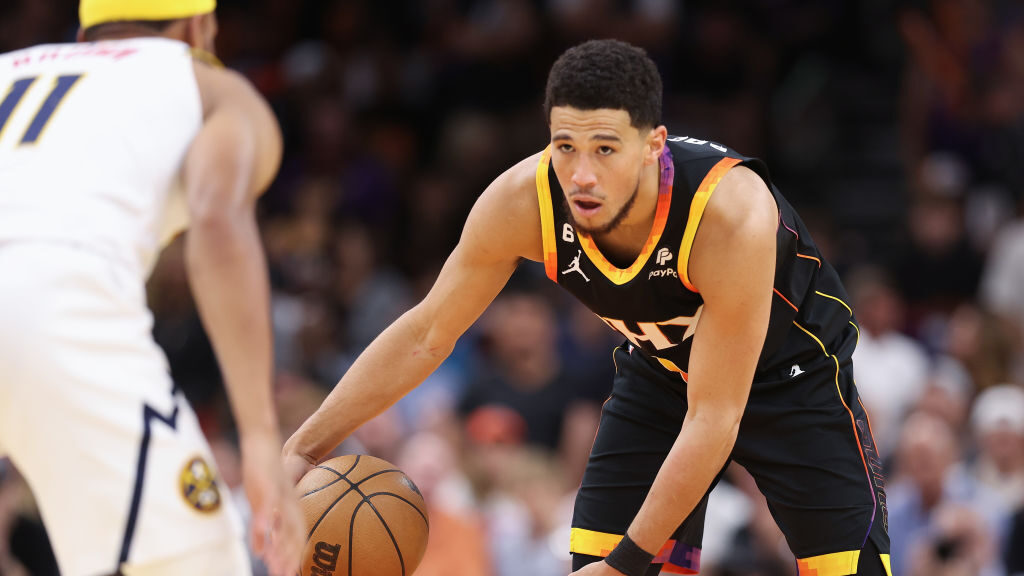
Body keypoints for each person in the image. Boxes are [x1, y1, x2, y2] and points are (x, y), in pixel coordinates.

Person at [284, 39, 891, 576]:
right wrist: (303, 450)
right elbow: (426, 333)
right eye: (565, 145)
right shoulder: (523, 201)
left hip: (792, 381)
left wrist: (626, 565)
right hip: (661, 373)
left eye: (605, 149)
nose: (581, 174)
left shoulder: (729, 213)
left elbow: (715, 418)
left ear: (654, 145)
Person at [0, 1, 303, 574]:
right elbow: (218, 221)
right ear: (199, 27)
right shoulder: (208, 83)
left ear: (86, 30)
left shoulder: (9, 67)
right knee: (199, 560)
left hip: (43, 304)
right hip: (53, 301)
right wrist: (261, 438)